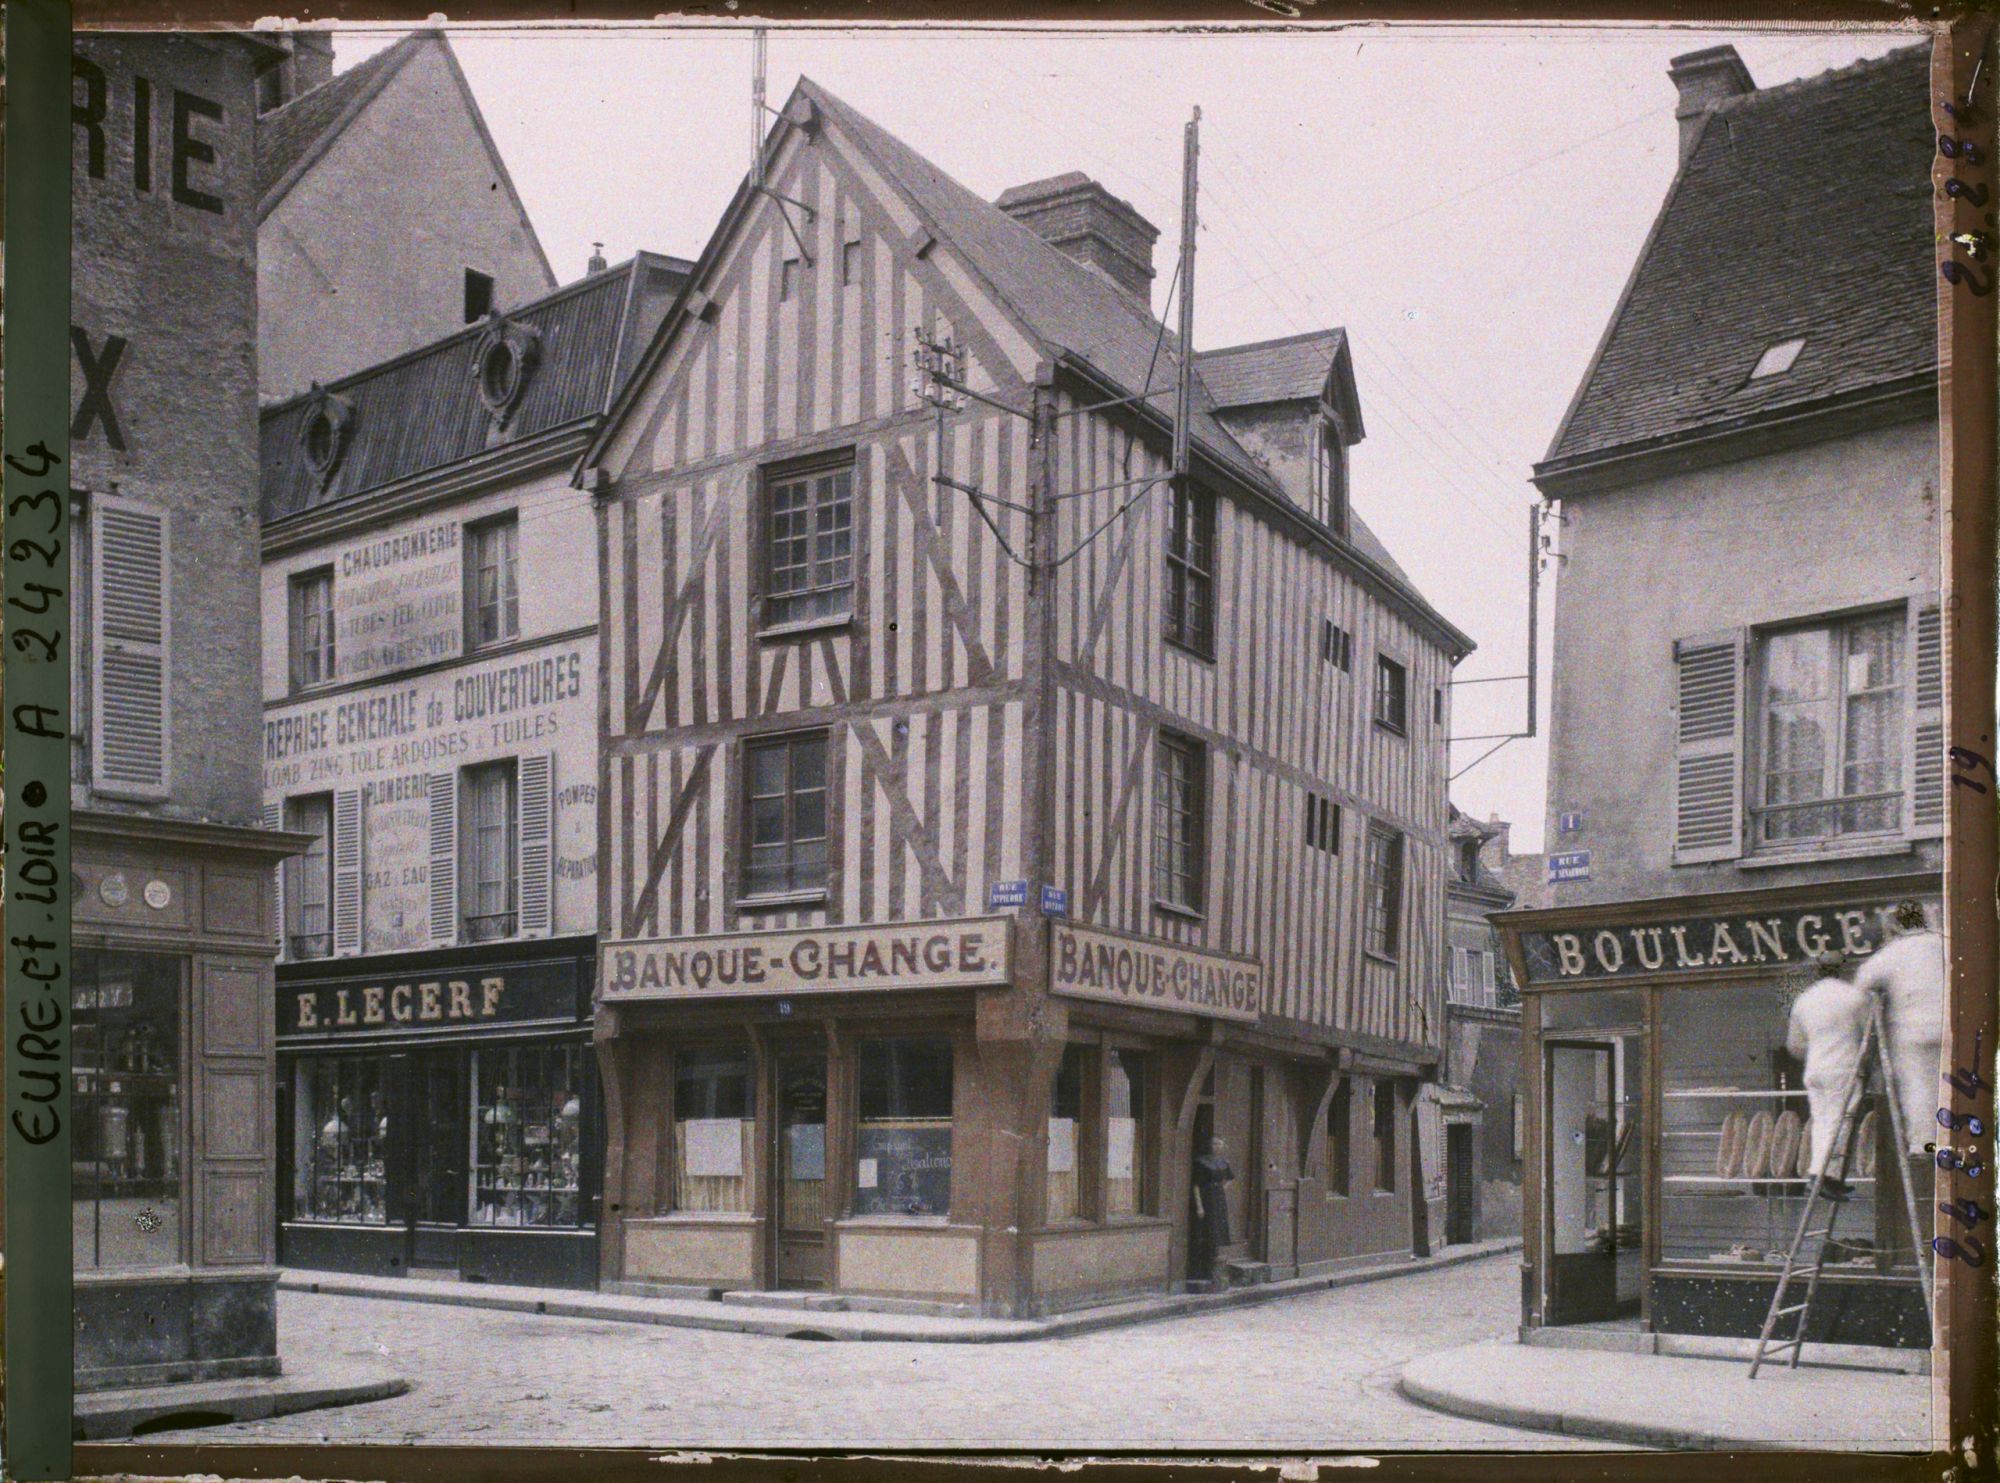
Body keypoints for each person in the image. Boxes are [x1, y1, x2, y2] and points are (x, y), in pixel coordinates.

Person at [1855, 900, 1944, 1155]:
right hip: (1952, 1027)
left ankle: (1924, 1149)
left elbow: (1862, 981)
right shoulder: (1944, 944)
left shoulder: (1894, 952)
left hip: (1911, 1030)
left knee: (1918, 1089)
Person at [1786, 958, 1871, 1197]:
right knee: (1839, 1120)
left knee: (1821, 1121)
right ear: (1842, 969)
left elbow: (1795, 1046)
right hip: (1843, 1067)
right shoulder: (1854, 996)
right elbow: (1868, 1036)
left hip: (1815, 1069)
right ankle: (1823, 1176)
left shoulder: (1803, 1000)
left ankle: (1822, 1174)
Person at [1191, 1135, 1235, 1281]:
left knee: (1217, 1230)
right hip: (1205, 1197)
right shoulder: (1201, 1162)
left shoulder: (1224, 1162)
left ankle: (1214, 1267)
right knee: (1205, 1231)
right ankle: (1202, 1269)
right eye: (1214, 1143)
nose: (1216, 1146)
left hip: (1218, 1199)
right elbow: (1196, 1185)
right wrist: (1199, 1206)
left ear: (1223, 1146)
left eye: (1219, 1144)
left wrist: (1221, 1189)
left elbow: (1230, 1179)